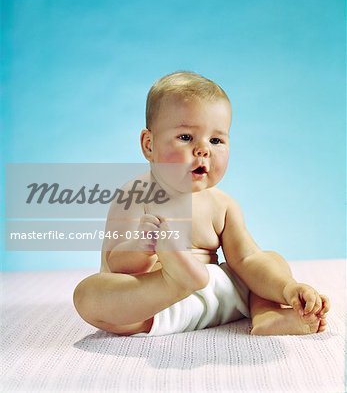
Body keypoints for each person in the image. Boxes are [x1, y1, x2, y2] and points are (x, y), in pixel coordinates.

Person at [73, 71, 330, 337]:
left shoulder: (222, 205)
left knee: (268, 260)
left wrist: (286, 288)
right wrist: (141, 247)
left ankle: (268, 314)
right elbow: (116, 266)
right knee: (89, 294)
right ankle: (175, 281)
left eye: (216, 140)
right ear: (149, 145)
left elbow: (246, 260)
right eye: (186, 137)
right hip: (156, 304)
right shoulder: (135, 196)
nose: (203, 150)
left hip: (217, 296)